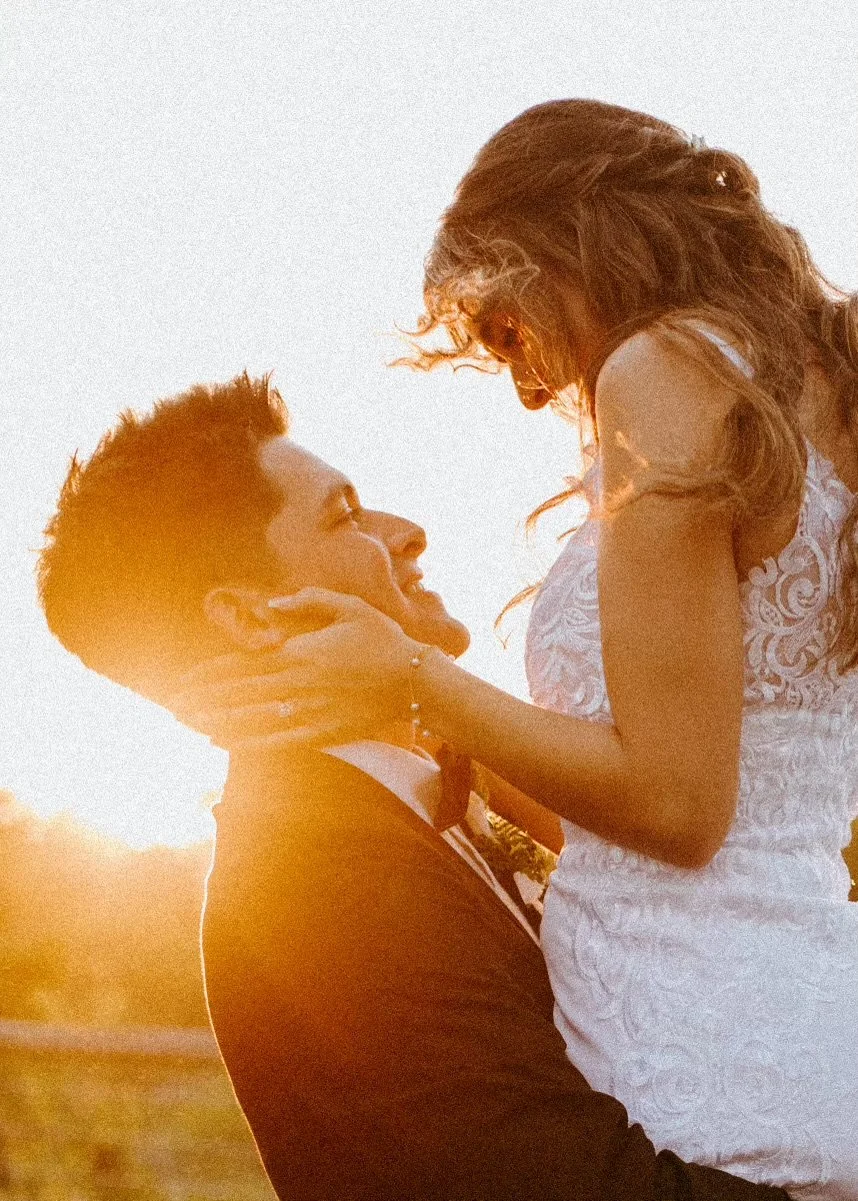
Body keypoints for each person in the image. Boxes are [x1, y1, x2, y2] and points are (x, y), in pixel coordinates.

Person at [179, 103, 858, 1196]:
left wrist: (415, 678)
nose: (533, 388)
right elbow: (719, 791)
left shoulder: (661, 369)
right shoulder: (827, 377)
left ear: (558, 250)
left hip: (699, 1051)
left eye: (503, 335)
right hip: (806, 1004)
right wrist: (452, 745)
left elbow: (679, 808)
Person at [37, 373, 792, 1200]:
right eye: (346, 516)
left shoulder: (409, 799)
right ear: (252, 617)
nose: (407, 532)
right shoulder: (318, 888)